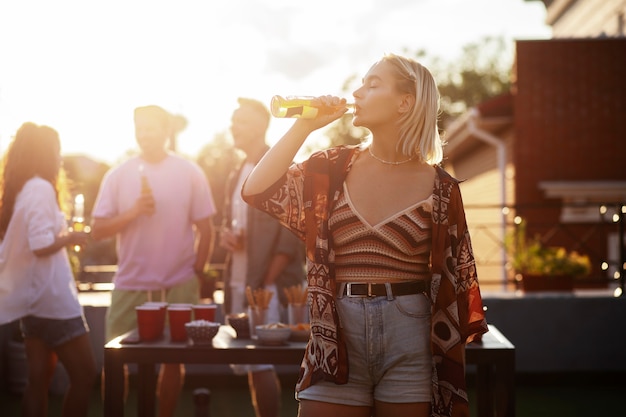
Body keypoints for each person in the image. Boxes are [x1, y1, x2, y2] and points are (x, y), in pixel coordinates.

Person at [242, 53, 488, 417]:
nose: (357, 93)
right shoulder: (331, 169)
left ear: (405, 102)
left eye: (373, 85)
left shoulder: (441, 189)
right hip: (336, 334)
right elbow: (256, 190)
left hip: (411, 337)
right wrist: (303, 127)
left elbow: (454, 284)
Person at [91, 105, 216, 417]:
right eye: (139, 127)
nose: (144, 134)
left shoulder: (190, 172)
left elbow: (206, 228)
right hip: (130, 284)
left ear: (166, 130)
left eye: (151, 127)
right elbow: (98, 230)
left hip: (178, 283)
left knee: (173, 361)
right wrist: (133, 212)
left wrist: (196, 272)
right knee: (115, 361)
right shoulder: (117, 175)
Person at [0, 122, 98, 417]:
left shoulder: (23, 190)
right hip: (53, 302)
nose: (59, 158)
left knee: (38, 380)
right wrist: (72, 236)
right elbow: (40, 243)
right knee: (85, 375)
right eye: (56, 151)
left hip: (32, 303)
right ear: (45, 153)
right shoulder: (41, 188)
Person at [220, 98, 306, 417]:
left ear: (259, 126)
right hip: (240, 282)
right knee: (252, 364)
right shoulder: (235, 173)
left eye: (239, 120)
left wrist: (266, 286)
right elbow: (232, 225)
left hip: (267, 286)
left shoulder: (278, 165)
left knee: (262, 362)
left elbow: (290, 236)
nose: (233, 127)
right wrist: (226, 237)